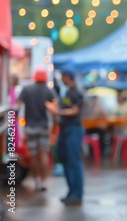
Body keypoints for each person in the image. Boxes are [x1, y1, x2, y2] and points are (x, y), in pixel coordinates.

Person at [45, 68, 85, 206]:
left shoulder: (77, 92)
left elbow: (75, 110)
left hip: (73, 130)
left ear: (67, 77)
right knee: (66, 161)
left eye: (62, 77)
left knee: (73, 161)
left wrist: (59, 112)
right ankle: (71, 191)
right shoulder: (66, 92)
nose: (61, 79)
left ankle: (77, 193)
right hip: (65, 129)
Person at [17, 67, 55, 191]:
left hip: (30, 127)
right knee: (43, 154)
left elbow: (17, 104)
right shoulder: (47, 90)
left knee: (33, 155)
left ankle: (37, 180)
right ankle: (44, 182)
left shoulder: (27, 89)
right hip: (43, 126)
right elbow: (54, 107)